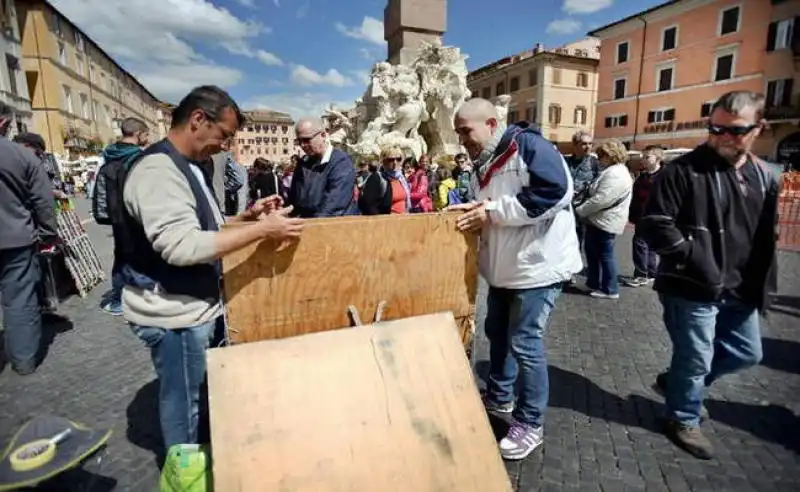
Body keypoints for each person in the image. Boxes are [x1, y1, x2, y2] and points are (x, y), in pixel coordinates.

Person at [121, 85, 304, 449]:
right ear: (197, 119)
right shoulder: (159, 170)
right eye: (223, 135)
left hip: (192, 306)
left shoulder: (188, 166)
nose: (225, 145)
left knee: (195, 398)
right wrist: (260, 230)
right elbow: (181, 245)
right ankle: (185, 473)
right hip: (175, 313)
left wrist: (245, 217)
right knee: (183, 405)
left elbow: (202, 229)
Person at [640, 91, 780, 460]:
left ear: (758, 129)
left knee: (746, 353)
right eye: (714, 128)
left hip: (742, 286)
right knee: (696, 356)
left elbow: (766, 235)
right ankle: (682, 417)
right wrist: (693, 257)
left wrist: (765, 282)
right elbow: (654, 225)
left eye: (734, 131)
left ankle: (677, 384)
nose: (721, 136)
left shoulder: (766, 176)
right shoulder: (682, 170)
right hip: (691, 285)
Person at [450, 98, 582, 460]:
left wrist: (490, 212)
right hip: (504, 268)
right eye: (458, 132)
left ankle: (530, 422)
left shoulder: (530, 147)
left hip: (536, 268)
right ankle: (499, 394)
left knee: (525, 343)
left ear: (491, 124)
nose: (462, 139)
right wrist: (473, 208)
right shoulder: (485, 159)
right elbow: (491, 202)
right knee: (497, 333)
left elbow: (554, 194)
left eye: (466, 130)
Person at [0, 102, 58, 375]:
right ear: (2, 122)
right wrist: (47, 234)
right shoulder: (22, 157)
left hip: (15, 238)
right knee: (20, 300)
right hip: (15, 239)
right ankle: (23, 361)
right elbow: (43, 202)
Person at [92, 117, 150, 316]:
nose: (148, 139)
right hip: (138, 216)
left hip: (117, 217)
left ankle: (118, 300)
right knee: (143, 258)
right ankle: (141, 303)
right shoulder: (140, 159)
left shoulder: (108, 158)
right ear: (138, 134)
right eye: (146, 135)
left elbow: (99, 191)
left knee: (122, 257)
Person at [575, 139, 634, 300]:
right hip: (600, 220)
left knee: (605, 255)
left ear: (611, 155)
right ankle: (593, 283)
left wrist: (580, 210)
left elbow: (601, 199)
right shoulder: (614, 170)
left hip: (605, 221)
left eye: (602, 155)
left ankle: (610, 289)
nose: (599, 157)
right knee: (594, 253)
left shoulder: (616, 173)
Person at [288, 118, 359, 218]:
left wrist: (309, 226)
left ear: (323, 135)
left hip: (333, 228)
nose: (302, 145)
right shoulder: (303, 163)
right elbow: (295, 201)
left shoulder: (341, 162)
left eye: (306, 140)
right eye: (299, 141)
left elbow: (333, 207)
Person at [622, 145, 664, 287]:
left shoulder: (663, 176)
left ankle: (641, 274)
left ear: (657, 158)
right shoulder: (643, 175)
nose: (643, 160)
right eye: (643, 157)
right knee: (650, 245)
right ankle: (651, 272)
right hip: (641, 215)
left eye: (647, 157)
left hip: (653, 216)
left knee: (639, 244)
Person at [565, 130, 600, 266]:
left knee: (586, 241)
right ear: (575, 145)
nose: (588, 147)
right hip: (567, 208)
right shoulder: (566, 161)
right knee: (567, 239)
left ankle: (583, 269)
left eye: (590, 144)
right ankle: (570, 266)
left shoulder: (595, 163)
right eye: (584, 144)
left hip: (585, 209)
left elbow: (600, 184)